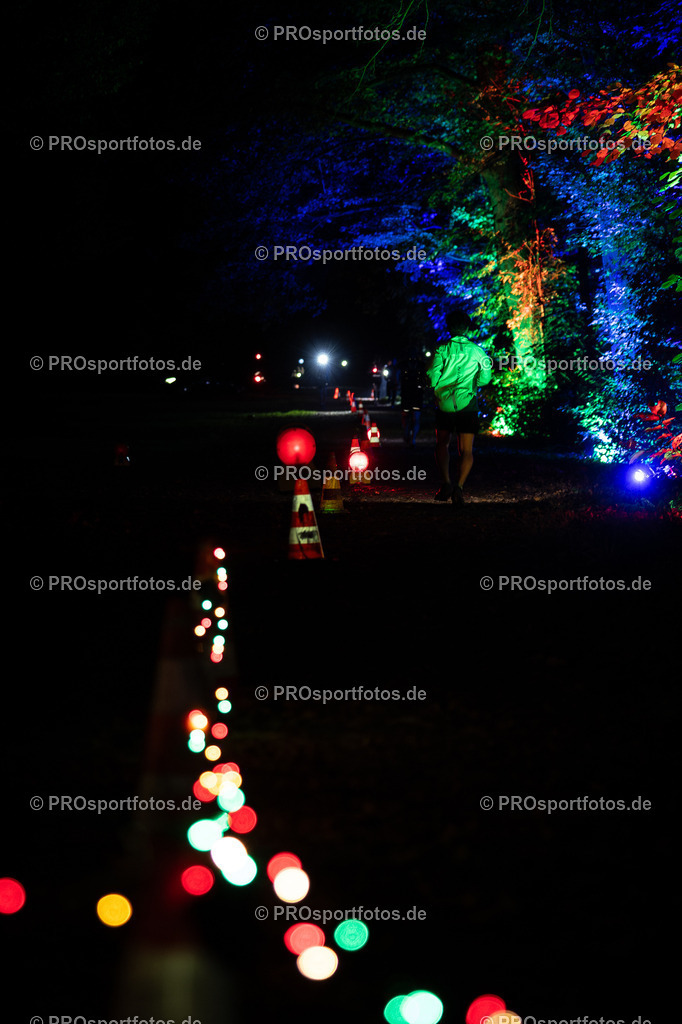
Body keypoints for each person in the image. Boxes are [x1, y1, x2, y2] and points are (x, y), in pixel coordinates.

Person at [426, 310, 492, 504]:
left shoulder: (441, 349)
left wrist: (437, 385)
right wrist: (474, 383)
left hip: (444, 404)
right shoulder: (478, 351)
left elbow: (431, 376)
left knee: (442, 444)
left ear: (448, 327)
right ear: (467, 327)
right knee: (467, 450)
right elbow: (485, 378)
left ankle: (446, 482)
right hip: (468, 404)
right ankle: (460, 487)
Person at [397, 346, 428, 444]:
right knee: (413, 418)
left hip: (410, 394)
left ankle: (410, 437)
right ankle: (411, 437)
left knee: (410, 417)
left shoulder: (405, 364)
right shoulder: (420, 365)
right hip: (413, 395)